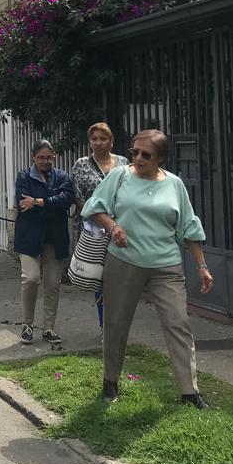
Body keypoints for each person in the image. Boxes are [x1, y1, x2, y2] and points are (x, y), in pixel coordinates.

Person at [82, 130, 213, 408]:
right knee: (116, 323)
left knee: (178, 323)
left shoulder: (174, 185)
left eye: (146, 154)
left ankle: (190, 392)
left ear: (161, 159)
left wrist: (202, 266)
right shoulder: (120, 176)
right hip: (124, 261)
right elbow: (94, 207)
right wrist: (114, 226)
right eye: (134, 152)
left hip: (166, 264)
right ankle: (111, 381)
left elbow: (189, 226)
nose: (138, 158)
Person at [13, 140, 76, 345]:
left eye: (49, 157)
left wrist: (39, 202)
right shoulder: (24, 176)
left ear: (54, 156)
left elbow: (67, 200)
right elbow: (23, 205)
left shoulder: (62, 176)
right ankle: (27, 325)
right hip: (29, 236)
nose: (45, 161)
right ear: (33, 157)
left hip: (55, 238)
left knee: (52, 283)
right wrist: (52, 204)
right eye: (41, 157)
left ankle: (48, 328)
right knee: (30, 279)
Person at [70, 123, 129, 327]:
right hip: (94, 230)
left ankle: (118, 323)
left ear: (111, 142)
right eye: (94, 139)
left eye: (103, 139)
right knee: (100, 279)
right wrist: (99, 217)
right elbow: (78, 198)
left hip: (120, 228)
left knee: (118, 278)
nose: (98, 142)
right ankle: (106, 326)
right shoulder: (81, 164)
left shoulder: (123, 163)